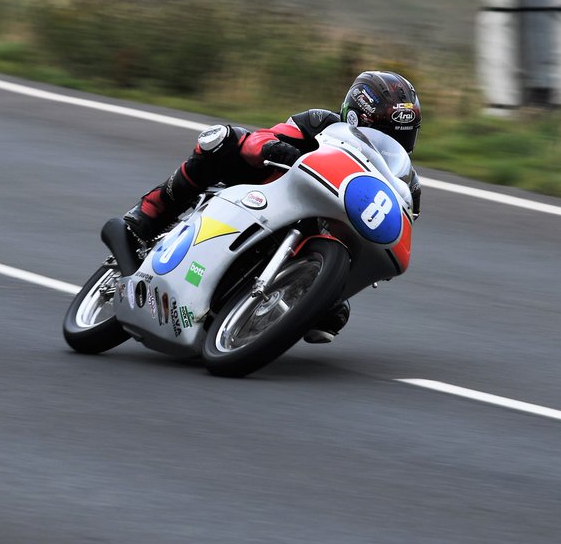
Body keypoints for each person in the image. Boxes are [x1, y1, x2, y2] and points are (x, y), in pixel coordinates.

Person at [122, 70, 423, 343]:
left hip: (328, 233)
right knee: (222, 141)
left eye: (404, 132)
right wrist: (272, 147)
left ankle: (308, 296)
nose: (396, 139)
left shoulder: (406, 181)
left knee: (334, 311)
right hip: (268, 190)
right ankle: (152, 211)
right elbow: (263, 137)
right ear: (358, 117)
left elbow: (403, 223)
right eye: (387, 130)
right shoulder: (322, 123)